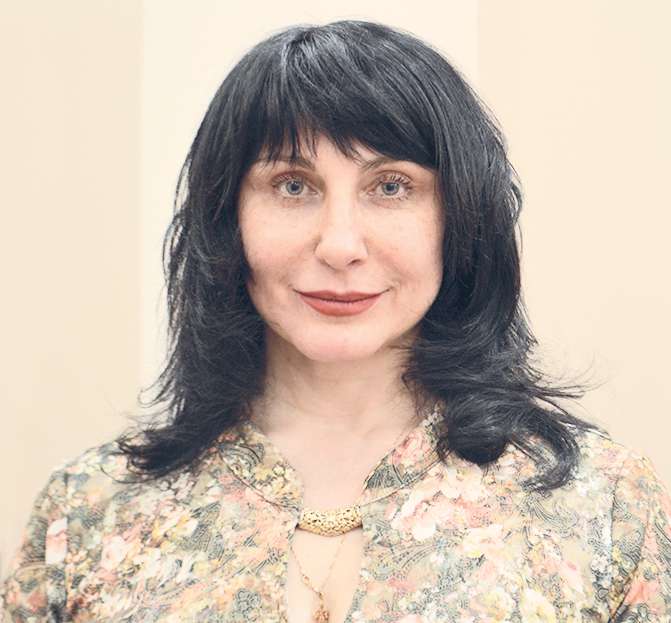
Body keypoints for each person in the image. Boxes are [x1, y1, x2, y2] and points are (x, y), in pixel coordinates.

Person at [2, 18, 670, 623]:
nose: (340, 245)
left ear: (461, 219)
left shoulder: (600, 502)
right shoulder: (89, 512)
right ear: (227, 219)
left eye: (391, 186)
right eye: (292, 186)